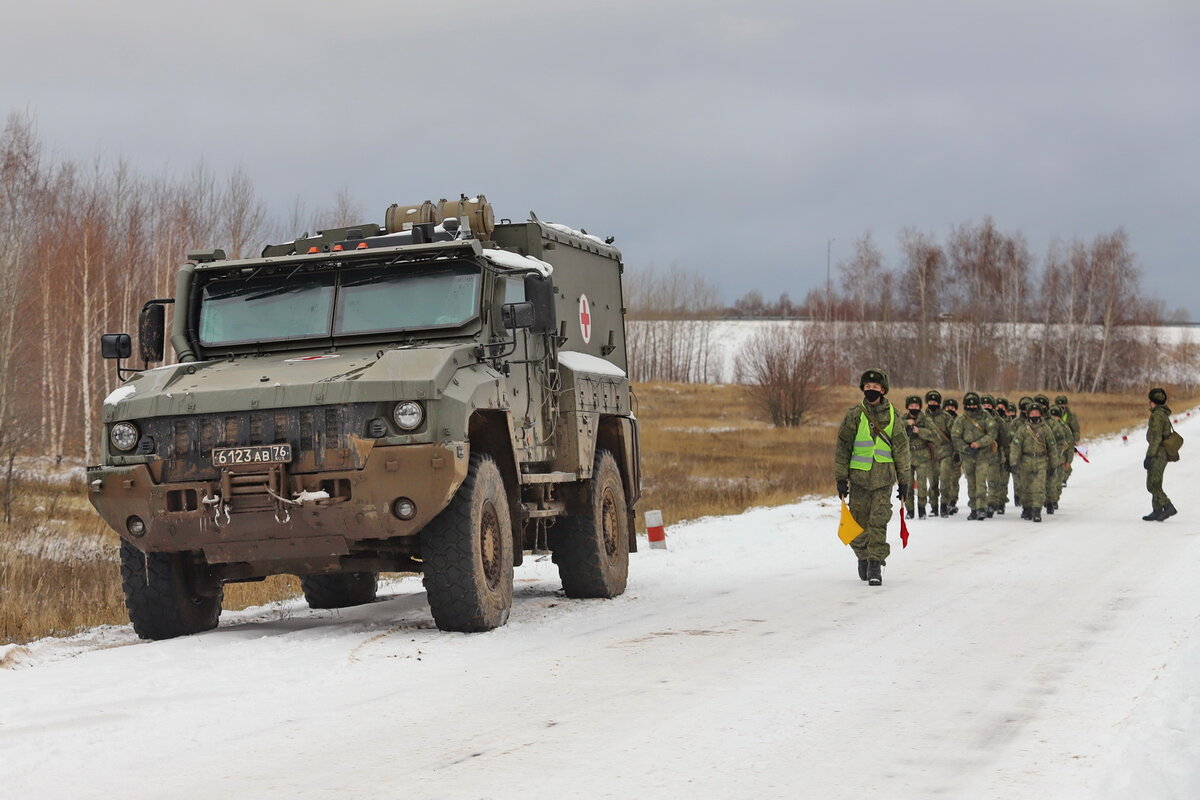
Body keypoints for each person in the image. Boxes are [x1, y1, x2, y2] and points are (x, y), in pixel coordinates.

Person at [834, 369, 912, 586]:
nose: (871, 390)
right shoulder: (853, 415)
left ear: (883, 390)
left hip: (883, 481)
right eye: (867, 387)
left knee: (878, 522)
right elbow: (843, 449)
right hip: (858, 480)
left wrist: (904, 481)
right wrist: (841, 478)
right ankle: (863, 556)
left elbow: (902, 451)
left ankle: (875, 563)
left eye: (875, 388)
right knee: (857, 526)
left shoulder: (894, 416)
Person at [951, 392, 998, 520]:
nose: (971, 407)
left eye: (974, 405)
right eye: (968, 405)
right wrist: (965, 448)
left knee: (981, 482)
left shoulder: (986, 417)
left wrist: (979, 443)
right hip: (967, 456)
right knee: (971, 483)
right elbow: (955, 436)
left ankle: (981, 507)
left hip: (983, 455)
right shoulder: (961, 419)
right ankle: (973, 508)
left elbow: (992, 433)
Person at [1009, 402, 1052, 522]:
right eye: (1032, 413)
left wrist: (1054, 464)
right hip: (1025, 461)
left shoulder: (1045, 429)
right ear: (1028, 415)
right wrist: (1013, 462)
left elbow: (1052, 447)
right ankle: (1027, 508)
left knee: (1039, 487)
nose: (1034, 415)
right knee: (1025, 487)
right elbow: (1015, 446)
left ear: (1041, 414)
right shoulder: (1022, 429)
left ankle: (1037, 510)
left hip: (1041, 460)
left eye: (1037, 413)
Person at [916, 390, 954, 517]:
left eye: (935, 402)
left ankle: (944, 505)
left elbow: (954, 435)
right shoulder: (922, 417)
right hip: (930, 453)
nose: (933, 404)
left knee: (944, 480)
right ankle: (934, 506)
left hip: (945, 452)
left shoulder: (946, 417)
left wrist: (957, 452)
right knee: (932, 481)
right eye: (930, 401)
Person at [1143, 387, 1177, 521]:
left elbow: (1156, 438)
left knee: (1152, 485)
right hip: (1161, 452)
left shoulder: (1157, 415)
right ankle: (1157, 510)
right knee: (1156, 482)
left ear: (1153, 402)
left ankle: (1168, 506)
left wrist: (1149, 456)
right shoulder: (1162, 413)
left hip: (1158, 453)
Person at [903, 395, 932, 519]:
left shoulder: (925, 419)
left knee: (922, 485)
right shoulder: (903, 418)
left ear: (920, 407)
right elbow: (894, 429)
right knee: (907, 484)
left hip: (922, 456)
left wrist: (919, 431)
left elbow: (934, 435)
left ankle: (922, 509)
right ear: (907, 407)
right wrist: (906, 423)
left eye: (916, 406)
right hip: (907, 457)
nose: (913, 408)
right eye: (911, 406)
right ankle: (909, 510)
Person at [942, 397, 961, 514]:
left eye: (952, 407)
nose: (950, 409)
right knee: (944, 479)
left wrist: (958, 452)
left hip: (956, 454)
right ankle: (945, 500)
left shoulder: (959, 421)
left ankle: (952, 502)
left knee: (954, 479)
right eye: (948, 407)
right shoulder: (941, 420)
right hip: (943, 453)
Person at [1055, 395, 1080, 485]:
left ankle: (1064, 478)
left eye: (1063, 405)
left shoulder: (1071, 416)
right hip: (1056, 440)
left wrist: (1076, 440)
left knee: (1067, 460)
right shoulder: (1053, 414)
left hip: (1068, 441)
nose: (1061, 407)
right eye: (1059, 404)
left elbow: (1076, 429)